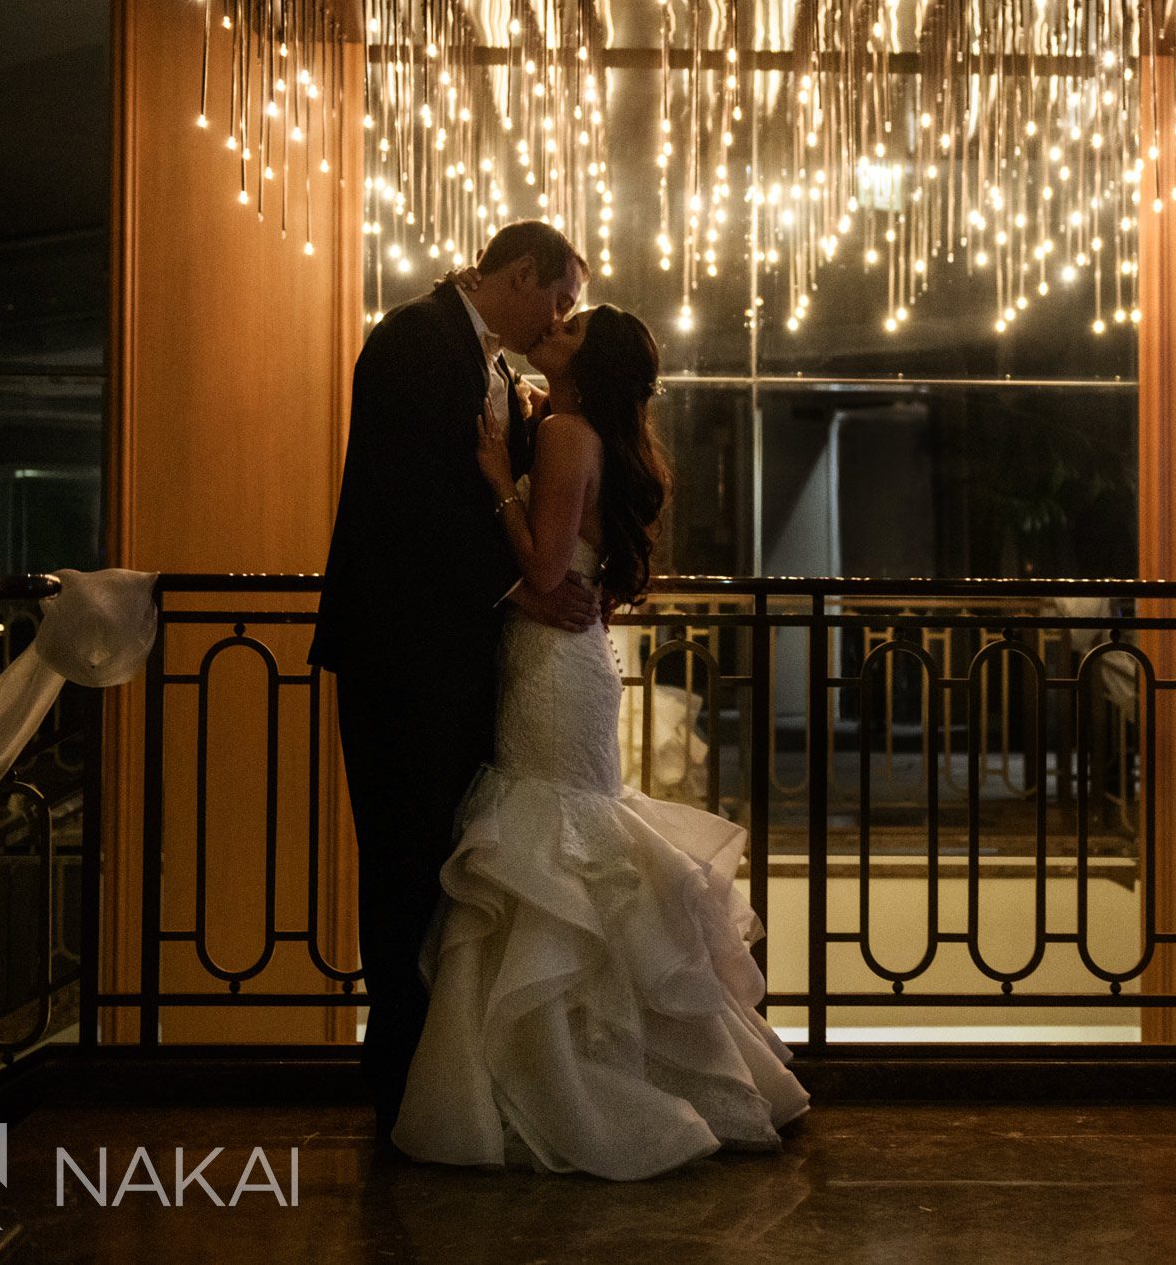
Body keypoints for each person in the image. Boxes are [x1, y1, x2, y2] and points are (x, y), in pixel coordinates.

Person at [391, 303, 807, 1178]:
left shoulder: (567, 433)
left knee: (554, 843)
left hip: (550, 661)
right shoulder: (586, 430)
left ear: (593, 363)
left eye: (572, 328)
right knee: (572, 844)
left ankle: (569, 1078)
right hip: (565, 657)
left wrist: (499, 473)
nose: (554, 327)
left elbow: (543, 569)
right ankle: (584, 1060)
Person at [310, 220, 600, 1144]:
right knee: (404, 863)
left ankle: (449, 1078)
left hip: (461, 659)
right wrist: (520, 586)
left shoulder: (497, 369)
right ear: (518, 274)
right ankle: (398, 1086)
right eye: (556, 300)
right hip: (402, 655)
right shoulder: (413, 341)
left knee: (450, 870)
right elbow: (411, 504)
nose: (560, 318)